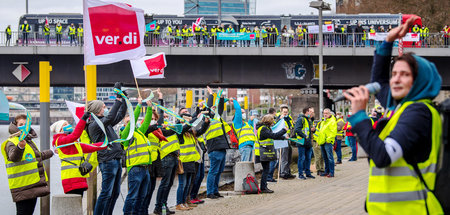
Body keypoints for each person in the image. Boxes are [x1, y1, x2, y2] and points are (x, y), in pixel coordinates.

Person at [343, 16, 444, 214]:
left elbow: (383, 156)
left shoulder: (418, 112)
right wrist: (388, 41)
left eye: (405, 75)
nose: (396, 79)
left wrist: (358, 117)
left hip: (414, 210)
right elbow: (380, 81)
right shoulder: (399, 107)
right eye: (395, 74)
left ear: (419, 81)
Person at [88, 82, 127, 215]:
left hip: (115, 159)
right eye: (104, 107)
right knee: (106, 192)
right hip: (107, 160)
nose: (105, 108)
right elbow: (111, 116)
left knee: (115, 193)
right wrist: (117, 98)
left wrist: (124, 99)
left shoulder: (105, 122)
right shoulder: (94, 124)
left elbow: (120, 115)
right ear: (97, 110)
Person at [2, 114, 54, 215]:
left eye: (25, 124)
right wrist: (20, 147)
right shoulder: (12, 142)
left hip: (32, 184)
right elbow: (14, 158)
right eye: (21, 124)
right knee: (23, 212)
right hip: (22, 186)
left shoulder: (28, 141)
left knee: (29, 212)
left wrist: (52, 152)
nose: (23, 126)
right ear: (15, 126)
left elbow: (37, 156)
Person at [50, 114, 106, 196]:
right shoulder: (60, 140)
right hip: (71, 180)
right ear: (60, 129)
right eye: (65, 125)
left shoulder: (73, 143)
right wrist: (83, 119)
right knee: (74, 206)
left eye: (67, 123)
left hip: (79, 179)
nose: (68, 125)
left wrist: (105, 144)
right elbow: (76, 134)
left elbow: (91, 147)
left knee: (77, 204)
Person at [120, 98, 153, 215]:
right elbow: (132, 122)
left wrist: (150, 108)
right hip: (135, 168)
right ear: (126, 124)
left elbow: (147, 121)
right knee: (133, 196)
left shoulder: (139, 132)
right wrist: (139, 105)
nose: (131, 123)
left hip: (144, 168)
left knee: (142, 196)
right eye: (128, 121)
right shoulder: (126, 134)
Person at [175, 110, 209, 211]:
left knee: (188, 183)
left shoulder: (190, 133)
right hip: (183, 161)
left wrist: (206, 123)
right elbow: (187, 125)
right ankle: (179, 203)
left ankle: (185, 201)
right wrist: (197, 118)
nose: (188, 123)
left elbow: (201, 131)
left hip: (191, 161)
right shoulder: (179, 131)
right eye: (186, 120)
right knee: (182, 184)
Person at [153, 90, 179, 215]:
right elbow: (161, 114)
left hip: (173, 157)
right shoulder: (160, 128)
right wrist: (160, 99)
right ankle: (159, 207)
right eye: (165, 117)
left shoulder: (169, 127)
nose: (166, 118)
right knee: (165, 184)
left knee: (168, 184)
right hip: (166, 157)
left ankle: (163, 206)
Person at [205, 86, 232, 199]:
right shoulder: (208, 118)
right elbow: (210, 107)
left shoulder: (217, 117)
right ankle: (210, 192)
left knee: (219, 171)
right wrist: (211, 94)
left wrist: (220, 95)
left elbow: (219, 109)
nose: (214, 109)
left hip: (221, 147)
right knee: (214, 171)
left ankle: (215, 191)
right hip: (215, 147)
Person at [255, 114, 288, 193]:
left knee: (266, 169)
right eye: (272, 120)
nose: (273, 122)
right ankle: (263, 187)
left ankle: (264, 186)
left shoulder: (265, 128)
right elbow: (273, 135)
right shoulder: (263, 129)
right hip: (263, 152)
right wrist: (284, 130)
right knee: (266, 170)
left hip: (265, 151)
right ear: (269, 121)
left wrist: (283, 137)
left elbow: (273, 136)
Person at [294, 107, 316, 180]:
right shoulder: (301, 119)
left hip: (308, 142)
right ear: (306, 112)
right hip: (302, 142)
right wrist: (305, 136)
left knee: (308, 158)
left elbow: (309, 130)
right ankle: (300, 174)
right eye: (310, 112)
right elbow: (297, 129)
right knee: (302, 158)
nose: (312, 113)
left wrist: (313, 130)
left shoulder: (308, 120)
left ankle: (308, 173)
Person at [276, 105, 295, 179]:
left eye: (287, 112)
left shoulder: (289, 118)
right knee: (284, 157)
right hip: (282, 140)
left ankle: (288, 172)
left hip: (289, 139)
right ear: (281, 112)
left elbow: (292, 127)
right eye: (284, 112)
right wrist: (279, 120)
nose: (285, 113)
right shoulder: (278, 118)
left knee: (289, 157)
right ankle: (283, 173)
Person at [317, 108, 337, 177]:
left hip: (327, 142)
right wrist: (318, 140)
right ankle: (326, 171)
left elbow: (333, 132)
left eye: (326, 113)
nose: (325, 114)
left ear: (330, 114)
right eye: (324, 113)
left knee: (330, 158)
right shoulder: (323, 121)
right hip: (322, 141)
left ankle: (331, 172)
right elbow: (321, 132)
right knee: (325, 158)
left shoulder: (332, 121)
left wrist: (329, 139)